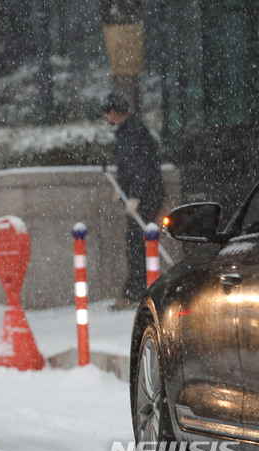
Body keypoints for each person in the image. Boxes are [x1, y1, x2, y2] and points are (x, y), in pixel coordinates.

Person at [102, 92, 165, 310]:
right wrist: (122, 191)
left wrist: (136, 195)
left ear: (113, 112)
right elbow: (129, 167)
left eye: (106, 114)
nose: (106, 119)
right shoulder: (129, 132)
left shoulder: (134, 133)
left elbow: (141, 167)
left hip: (147, 197)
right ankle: (137, 292)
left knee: (137, 245)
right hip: (142, 195)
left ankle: (137, 293)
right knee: (136, 244)